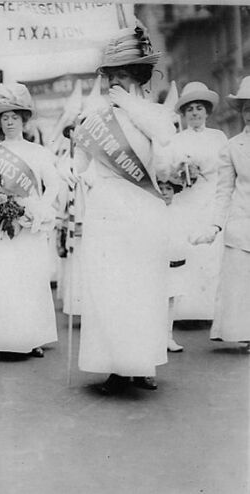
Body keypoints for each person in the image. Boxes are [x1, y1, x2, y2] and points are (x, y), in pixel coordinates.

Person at [62, 24, 180, 394]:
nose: (115, 83)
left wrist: (129, 103)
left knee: (142, 289)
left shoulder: (154, 114)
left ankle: (142, 364)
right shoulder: (94, 119)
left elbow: (165, 146)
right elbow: (77, 165)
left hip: (143, 210)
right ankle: (113, 365)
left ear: (140, 78)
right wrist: (70, 174)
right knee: (109, 289)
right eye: (111, 76)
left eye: (123, 76)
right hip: (106, 211)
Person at [0, 82, 60, 358]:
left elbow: (52, 185)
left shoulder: (38, 152)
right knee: (0, 280)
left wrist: (39, 208)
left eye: (14, 117)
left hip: (27, 223)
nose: (9, 122)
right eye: (4, 118)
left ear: (24, 119)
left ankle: (32, 338)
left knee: (28, 280)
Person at [191, 76, 250, 352]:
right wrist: (214, 226)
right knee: (240, 284)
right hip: (241, 224)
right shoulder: (232, 146)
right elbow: (224, 191)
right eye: (246, 108)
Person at [168, 82, 228, 320]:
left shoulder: (218, 137)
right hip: (187, 198)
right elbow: (169, 171)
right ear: (184, 113)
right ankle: (187, 311)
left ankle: (210, 310)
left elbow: (226, 169)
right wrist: (181, 171)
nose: (195, 113)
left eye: (199, 109)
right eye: (190, 109)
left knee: (212, 253)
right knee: (189, 249)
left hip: (212, 197)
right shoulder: (177, 140)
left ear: (206, 112)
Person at [160, 181, 188, 352]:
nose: (164, 192)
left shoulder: (179, 212)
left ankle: (167, 337)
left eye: (168, 189)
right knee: (156, 301)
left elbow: (186, 234)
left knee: (170, 301)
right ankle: (154, 338)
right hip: (156, 265)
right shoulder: (152, 211)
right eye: (161, 188)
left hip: (174, 264)